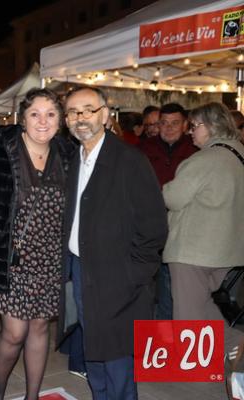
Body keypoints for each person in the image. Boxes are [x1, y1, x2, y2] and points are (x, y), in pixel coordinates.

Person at [59, 86, 167, 400]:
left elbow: (154, 227)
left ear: (105, 115)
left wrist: (133, 275)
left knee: (118, 353)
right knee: (93, 344)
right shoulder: (75, 159)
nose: (80, 118)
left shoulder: (129, 160)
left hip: (119, 274)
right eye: (73, 112)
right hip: (83, 269)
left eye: (88, 110)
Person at [0, 88, 74, 400]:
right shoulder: (0, 150)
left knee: (40, 328)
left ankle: (33, 396)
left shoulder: (68, 155)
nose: (42, 121)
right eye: (35, 114)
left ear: (60, 120)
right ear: (23, 118)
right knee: (15, 331)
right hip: (12, 258)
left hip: (51, 258)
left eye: (50, 114)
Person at [162, 102, 244, 376]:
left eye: (194, 126)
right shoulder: (239, 154)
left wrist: (164, 188)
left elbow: (173, 198)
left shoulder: (204, 160)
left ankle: (196, 367)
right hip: (228, 250)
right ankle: (233, 343)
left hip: (194, 249)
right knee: (202, 303)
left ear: (210, 127)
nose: (191, 132)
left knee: (187, 312)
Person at [138, 102, 197, 320]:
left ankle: (169, 332)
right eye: (164, 123)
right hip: (148, 226)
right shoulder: (144, 149)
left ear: (185, 125)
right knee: (146, 286)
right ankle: (155, 333)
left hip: (184, 227)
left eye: (175, 123)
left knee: (175, 288)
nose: (169, 128)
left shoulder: (195, 150)